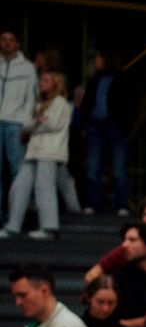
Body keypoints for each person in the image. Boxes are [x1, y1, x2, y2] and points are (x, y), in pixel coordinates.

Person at [3, 69, 71, 240]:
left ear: (55, 83)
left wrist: (34, 125)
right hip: (34, 151)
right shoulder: (39, 104)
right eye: (41, 80)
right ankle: (12, 226)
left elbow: (51, 124)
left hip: (50, 151)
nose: (42, 83)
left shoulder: (60, 102)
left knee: (44, 188)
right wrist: (36, 123)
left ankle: (49, 227)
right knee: (19, 187)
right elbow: (28, 126)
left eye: (47, 80)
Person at [77, 50, 134, 215]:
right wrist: (85, 124)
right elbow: (88, 103)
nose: (95, 61)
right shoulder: (95, 79)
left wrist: (124, 123)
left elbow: (129, 104)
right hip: (96, 126)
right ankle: (92, 204)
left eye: (98, 58)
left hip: (115, 126)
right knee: (93, 167)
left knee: (119, 168)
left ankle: (121, 205)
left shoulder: (122, 79)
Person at [0, 30, 37, 202]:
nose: (7, 43)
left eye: (11, 40)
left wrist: (26, 125)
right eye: (4, 40)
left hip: (15, 124)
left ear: (17, 44)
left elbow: (31, 97)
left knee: (18, 170)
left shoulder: (28, 68)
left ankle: (16, 216)